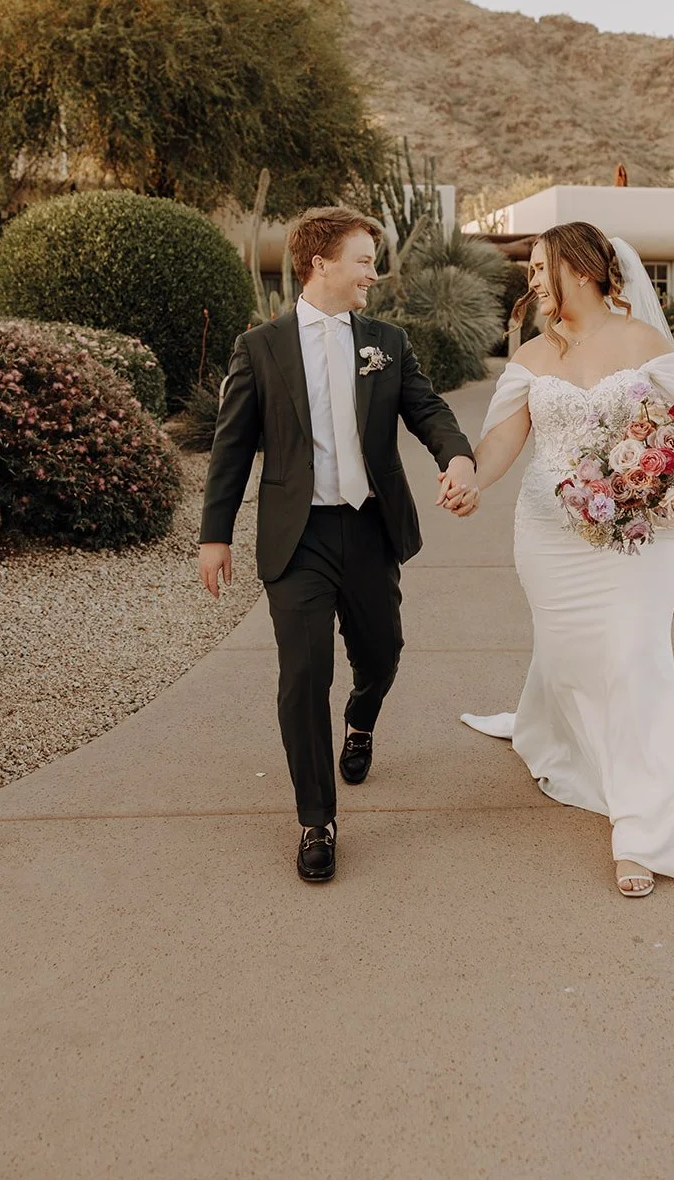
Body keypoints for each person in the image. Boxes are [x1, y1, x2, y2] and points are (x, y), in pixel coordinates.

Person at [198, 206, 477, 884]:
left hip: (369, 526)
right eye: (360, 260)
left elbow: (428, 410)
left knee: (382, 654)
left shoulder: (386, 340)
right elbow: (232, 446)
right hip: (297, 537)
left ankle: (361, 718)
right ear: (319, 263)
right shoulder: (259, 348)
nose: (371, 273)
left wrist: (459, 459)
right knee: (302, 677)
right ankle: (315, 820)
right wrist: (214, 534)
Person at [451, 222, 674, 897]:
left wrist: (643, 478)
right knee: (570, 660)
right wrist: (471, 479)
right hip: (549, 534)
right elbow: (504, 439)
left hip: (639, 532)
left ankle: (641, 830)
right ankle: (551, 732)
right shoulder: (531, 355)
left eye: (540, 267)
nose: (531, 280)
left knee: (632, 659)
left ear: (583, 270)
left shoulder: (644, 344)